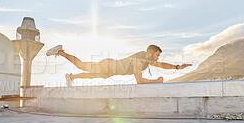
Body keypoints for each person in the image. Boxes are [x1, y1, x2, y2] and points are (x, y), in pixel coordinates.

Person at [46, 44, 192, 86]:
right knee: (82, 65)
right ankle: (59, 51)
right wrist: (157, 81)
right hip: (108, 66)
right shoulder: (139, 60)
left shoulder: (146, 60)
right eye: (157, 55)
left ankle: (71, 77)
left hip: (110, 71)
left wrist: (177, 67)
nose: (157, 58)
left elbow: (161, 65)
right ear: (150, 53)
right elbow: (139, 81)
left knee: (90, 75)